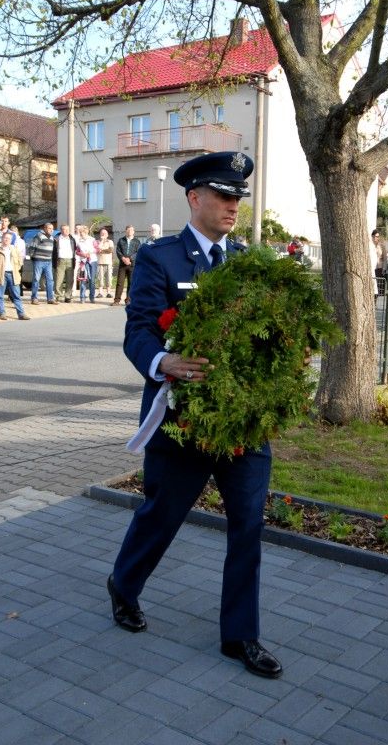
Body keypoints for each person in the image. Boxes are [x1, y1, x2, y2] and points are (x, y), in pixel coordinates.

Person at [108, 151, 282, 679]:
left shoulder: (249, 262)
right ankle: (124, 584)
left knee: (248, 524)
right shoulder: (160, 258)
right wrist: (163, 362)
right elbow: (139, 330)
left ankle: (240, 635)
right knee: (162, 514)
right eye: (224, 196)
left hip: (242, 422)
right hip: (182, 421)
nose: (233, 206)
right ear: (194, 197)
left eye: (238, 198)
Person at [0, 231, 30, 320]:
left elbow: (20, 261)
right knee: (0, 295)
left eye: (9, 239)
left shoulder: (14, 250)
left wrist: (17, 268)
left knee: (16, 295)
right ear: (2, 239)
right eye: (5, 238)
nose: (6, 240)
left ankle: (21, 314)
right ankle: (2, 313)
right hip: (1, 275)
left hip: (13, 275)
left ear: (11, 240)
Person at [28, 222, 57, 305]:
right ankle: (34, 298)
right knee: (36, 279)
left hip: (48, 261)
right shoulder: (38, 236)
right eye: (49, 228)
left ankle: (50, 299)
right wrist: (33, 257)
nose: (51, 230)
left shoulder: (52, 238)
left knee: (50, 280)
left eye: (52, 229)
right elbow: (32, 247)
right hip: (39, 261)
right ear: (44, 228)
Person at [112, 225, 141, 305]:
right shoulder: (121, 240)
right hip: (122, 264)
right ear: (126, 231)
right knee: (119, 283)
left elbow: (138, 252)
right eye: (128, 230)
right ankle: (117, 300)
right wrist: (123, 258)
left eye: (131, 230)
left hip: (132, 265)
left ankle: (128, 300)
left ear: (133, 232)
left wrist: (130, 259)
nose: (129, 231)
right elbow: (118, 251)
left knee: (131, 283)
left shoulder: (137, 241)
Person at [53, 224, 76, 303]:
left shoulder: (72, 239)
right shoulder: (56, 238)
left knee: (70, 280)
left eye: (67, 229)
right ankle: (58, 296)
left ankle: (68, 296)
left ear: (69, 230)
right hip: (60, 260)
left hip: (70, 260)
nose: (65, 231)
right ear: (60, 230)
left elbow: (74, 249)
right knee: (59, 279)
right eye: (63, 229)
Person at [75, 225, 98, 303]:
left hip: (92, 261)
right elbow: (77, 251)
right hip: (83, 262)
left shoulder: (92, 240)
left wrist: (90, 252)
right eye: (80, 232)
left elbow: (97, 249)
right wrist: (82, 254)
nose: (81, 234)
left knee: (92, 280)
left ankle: (92, 297)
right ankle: (82, 297)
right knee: (83, 280)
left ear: (86, 232)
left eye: (82, 232)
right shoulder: (79, 241)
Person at [96, 228, 114, 297]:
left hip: (108, 262)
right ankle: (100, 293)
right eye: (102, 233)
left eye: (105, 233)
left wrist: (102, 251)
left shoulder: (110, 241)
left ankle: (108, 292)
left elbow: (110, 250)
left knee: (109, 278)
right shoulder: (97, 241)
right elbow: (97, 249)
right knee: (100, 278)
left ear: (107, 235)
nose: (103, 234)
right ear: (100, 234)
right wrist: (102, 241)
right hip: (99, 262)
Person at [371, 229, 388, 296]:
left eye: (377, 236)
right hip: (371, 268)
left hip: (379, 268)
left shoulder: (382, 246)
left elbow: (385, 258)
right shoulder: (370, 245)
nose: (376, 238)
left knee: (378, 288)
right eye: (374, 236)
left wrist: (384, 268)